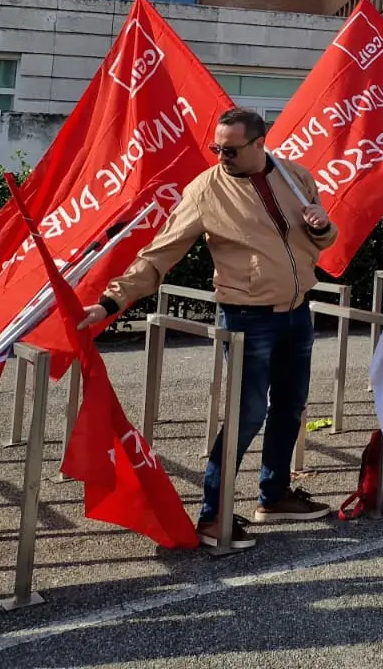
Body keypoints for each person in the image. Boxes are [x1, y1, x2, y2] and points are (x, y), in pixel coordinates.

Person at [76, 108, 335, 550]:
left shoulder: (295, 176)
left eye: (231, 150)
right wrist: (110, 301)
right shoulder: (206, 189)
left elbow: (319, 241)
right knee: (246, 414)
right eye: (217, 148)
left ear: (260, 143)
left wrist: (323, 227)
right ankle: (213, 516)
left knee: (291, 406)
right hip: (246, 316)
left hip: (296, 310)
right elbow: (159, 254)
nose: (221, 157)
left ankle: (274, 496)